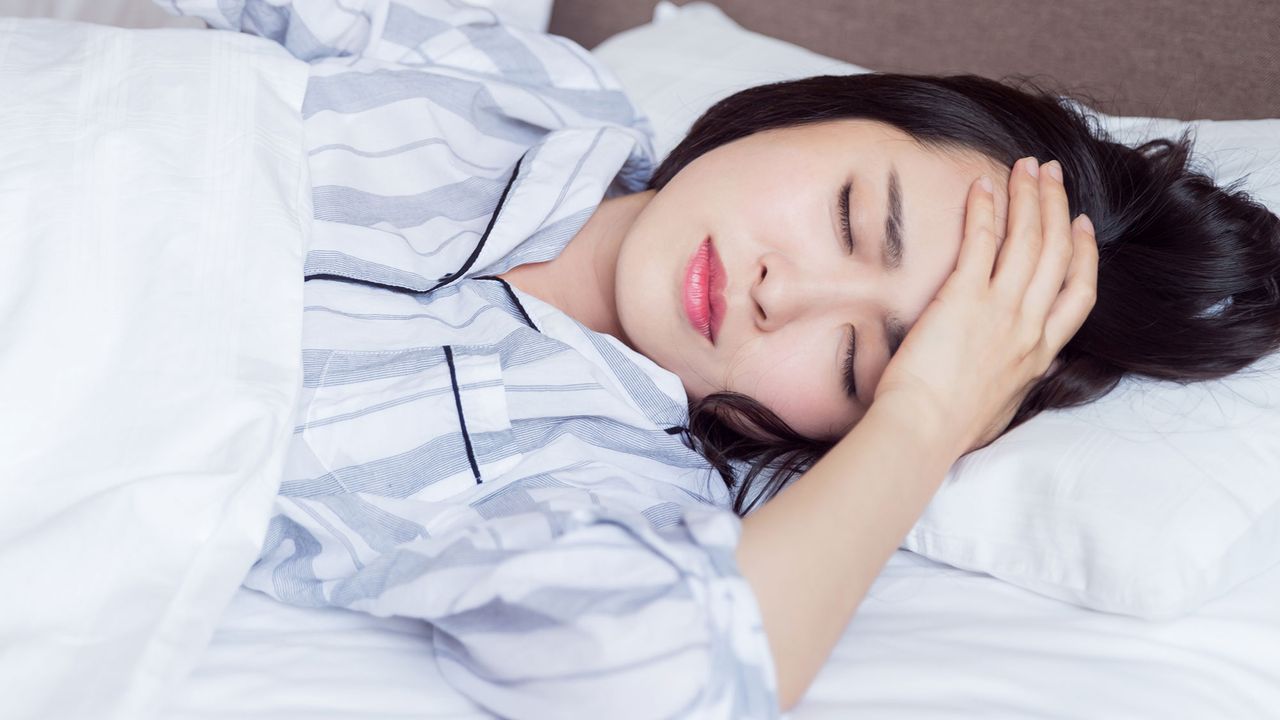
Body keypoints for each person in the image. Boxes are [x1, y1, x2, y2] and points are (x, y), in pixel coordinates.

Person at [155, 1, 1280, 718]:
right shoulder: (525, 89)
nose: (781, 292)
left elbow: (667, 679)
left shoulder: (602, 487)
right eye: (849, 215)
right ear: (818, 113)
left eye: (855, 363)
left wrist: (927, 414)